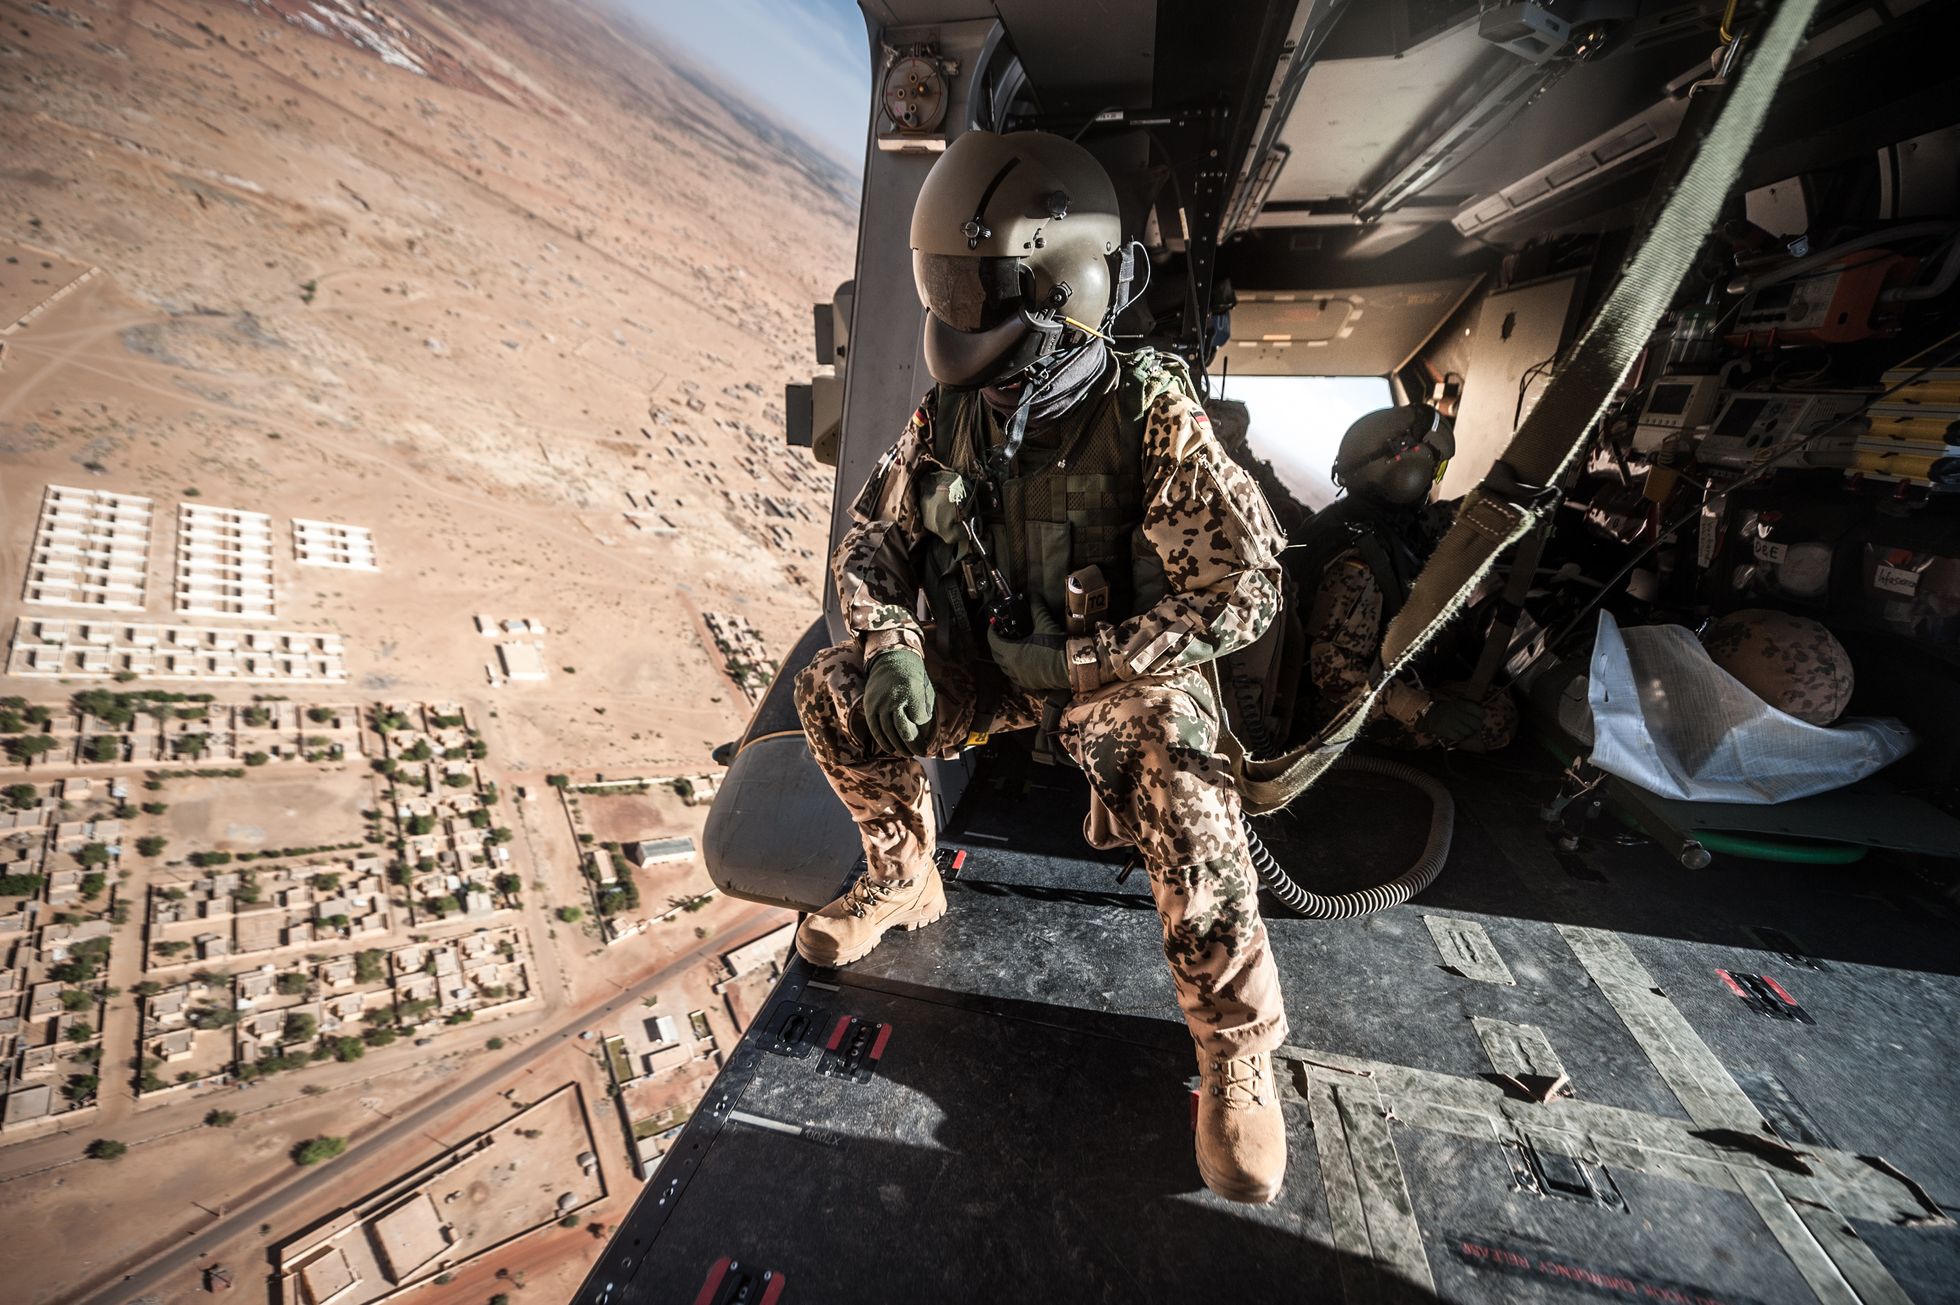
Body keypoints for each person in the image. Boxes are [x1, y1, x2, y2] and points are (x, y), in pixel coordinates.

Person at [792, 130, 1293, 1204]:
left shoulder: (1147, 411)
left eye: (981, 285)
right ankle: (902, 876)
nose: (958, 307)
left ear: (1061, 286)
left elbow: (1246, 586)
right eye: (948, 282)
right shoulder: (951, 411)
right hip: (990, 670)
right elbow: (869, 542)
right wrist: (888, 649)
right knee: (831, 690)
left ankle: (1234, 1049)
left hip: (1110, 680)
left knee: (1180, 765)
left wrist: (1088, 659)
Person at [1292, 405, 1517, 751]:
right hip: (1333, 712)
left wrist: (1503, 499)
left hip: (1369, 682)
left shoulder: (1363, 519)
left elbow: (1437, 522)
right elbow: (1332, 672)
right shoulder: (1358, 564)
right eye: (1435, 468)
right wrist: (1425, 712)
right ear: (1408, 472)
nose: (1433, 480)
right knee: (1497, 718)